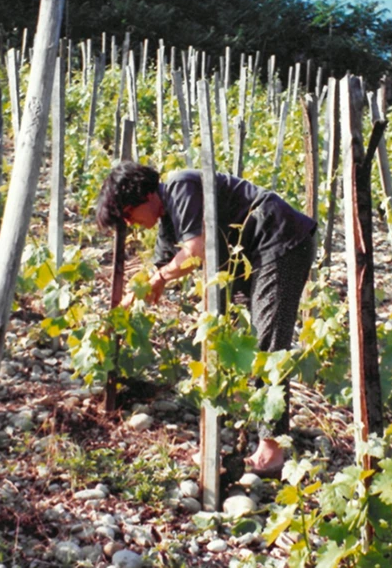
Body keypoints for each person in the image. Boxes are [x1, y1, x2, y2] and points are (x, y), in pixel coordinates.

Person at [96, 161, 316, 476]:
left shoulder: (179, 186)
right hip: (249, 259)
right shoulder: (167, 219)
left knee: (269, 345)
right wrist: (130, 299)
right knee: (238, 340)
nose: (131, 224)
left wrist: (162, 276)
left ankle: (272, 450)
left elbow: (196, 251)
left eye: (129, 215)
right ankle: (244, 425)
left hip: (280, 243)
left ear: (145, 196)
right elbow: (161, 267)